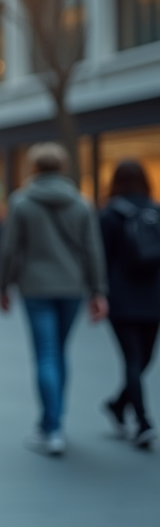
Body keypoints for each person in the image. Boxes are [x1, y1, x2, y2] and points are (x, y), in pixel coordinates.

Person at [0, 142, 108, 457]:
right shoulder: (81, 203)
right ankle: (56, 422)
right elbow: (92, 250)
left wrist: (1, 286)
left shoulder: (21, 202)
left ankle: (50, 427)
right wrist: (98, 291)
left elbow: (9, 249)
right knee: (59, 352)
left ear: (34, 168)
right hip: (72, 286)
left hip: (35, 286)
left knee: (45, 354)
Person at [100, 160, 160, 450]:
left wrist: (99, 293)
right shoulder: (155, 211)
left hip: (122, 296)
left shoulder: (109, 214)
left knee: (136, 360)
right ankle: (142, 420)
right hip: (152, 295)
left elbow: (102, 257)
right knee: (141, 359)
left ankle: (119, 405)